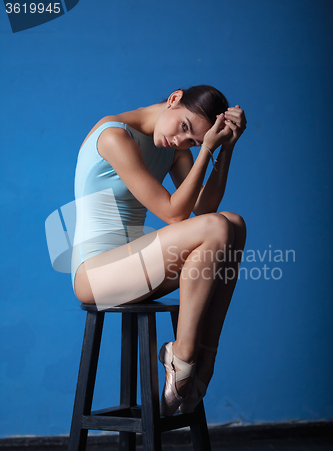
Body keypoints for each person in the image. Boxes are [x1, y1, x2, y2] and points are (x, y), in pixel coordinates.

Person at [71, 85, 247, 416]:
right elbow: (173, 213)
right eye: (183, 127)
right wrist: (205, 148)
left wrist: (225, 150)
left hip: (136, 269)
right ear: (174, 99)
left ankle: (203, 362)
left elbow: (204, 209)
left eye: (192, 141)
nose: (181, 141)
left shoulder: (173, 149)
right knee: (219, 227)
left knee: (233, 225)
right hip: (94, 274)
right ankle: (182, 357)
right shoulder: (114, 136)